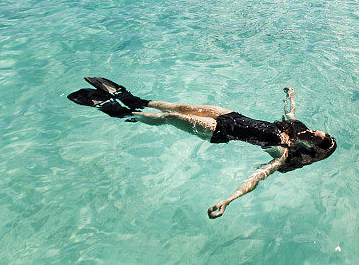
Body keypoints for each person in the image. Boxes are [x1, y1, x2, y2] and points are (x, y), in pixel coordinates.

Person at [68, 77, 337, 219]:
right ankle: (132, 99)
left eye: (315, 136)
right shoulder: (297, 128)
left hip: (221, 132)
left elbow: (257, 177)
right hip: (230, 115)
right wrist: (290, 96)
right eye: (316, 131)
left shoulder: (283, 154)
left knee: (171, 118)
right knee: (178, 107)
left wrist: (228, 201)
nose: (312, 131)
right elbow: (290, 113)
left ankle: (121, 113)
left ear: (313, 148)